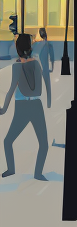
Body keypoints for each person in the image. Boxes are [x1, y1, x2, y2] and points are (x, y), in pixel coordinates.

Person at [1, 34, 48, 180]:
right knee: (44, 144)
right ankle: (38, 173)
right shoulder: (36, 64)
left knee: (8, 141)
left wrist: (3, 109)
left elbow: (10, 90)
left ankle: (11, 169)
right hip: (36, 105)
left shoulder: (16, 66)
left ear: (17, 49)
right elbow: (39, 89)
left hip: (21, 107)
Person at [34, 29, 55, 108]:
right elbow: (52, 58)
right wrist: (52, 68)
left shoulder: (37, 44)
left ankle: (37, 104)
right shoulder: (48, 45)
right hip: (45, 68)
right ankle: (48, 104)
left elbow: (33, 55)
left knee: (36, 87)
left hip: (38, 68)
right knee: (47, 86)